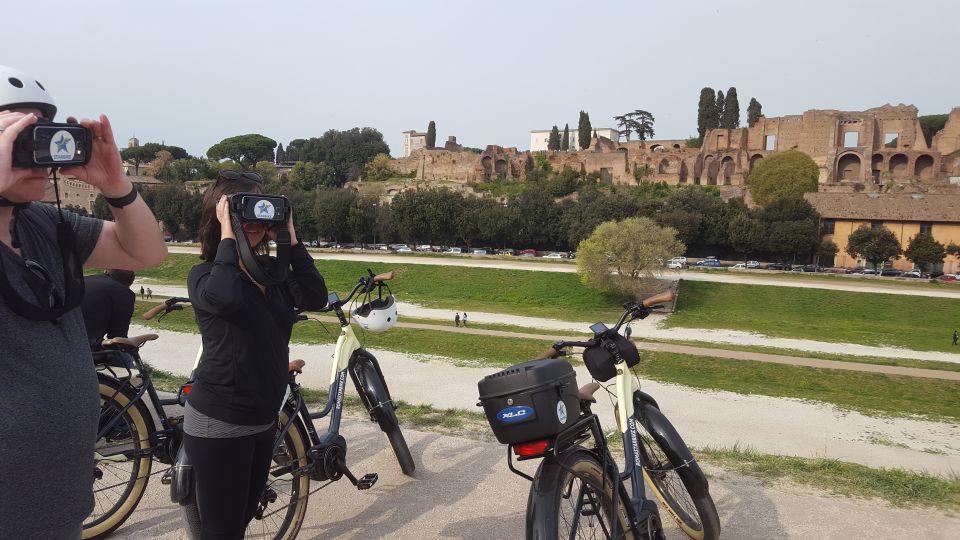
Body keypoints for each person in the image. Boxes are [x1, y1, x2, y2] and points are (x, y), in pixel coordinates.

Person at [0, 65, 166, 540]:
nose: (37, 156)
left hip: (59, 503)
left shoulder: (46, 225)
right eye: (17, 139)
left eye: (41, 136)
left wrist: (116, 186)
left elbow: (147, 252)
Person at [184, 172, 327, 538]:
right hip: (220, 421)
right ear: (221, 215)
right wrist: (229, 235)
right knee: (222, 531)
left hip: (263, 420)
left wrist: (289, 237)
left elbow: (314, 296)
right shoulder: (204, 276)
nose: (256, 223)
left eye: (264, 214)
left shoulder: (273, 276)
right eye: (243, 212)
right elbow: (228, 298)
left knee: (243, 517)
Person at [81, 268, 136, 349]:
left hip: (59, 337)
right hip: (84, 344)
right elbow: (118, 335)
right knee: (124, 357)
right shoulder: (124, 292)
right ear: (130, 282)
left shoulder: (84, 280)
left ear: (105, 272)